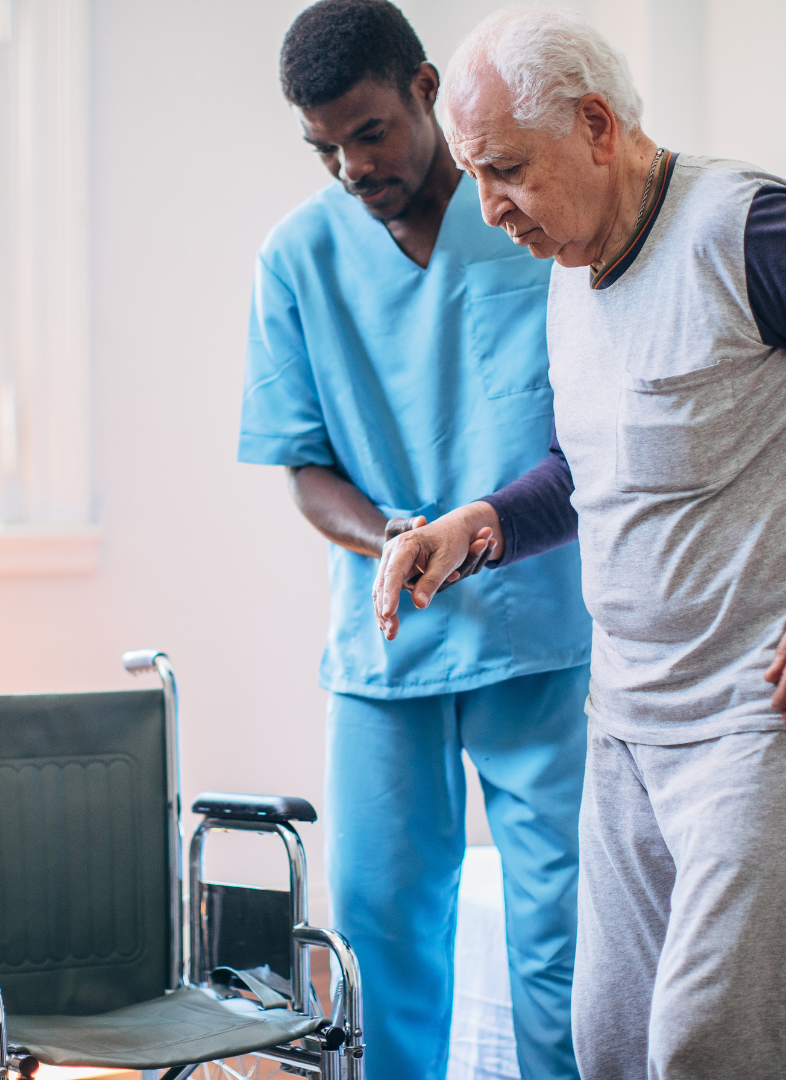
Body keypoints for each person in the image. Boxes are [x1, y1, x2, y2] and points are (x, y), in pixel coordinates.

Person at [371, 8, 786, 1079]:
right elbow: (601, 468)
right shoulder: (569, 268)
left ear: (597, 126)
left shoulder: (748, 233)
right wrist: (484, 527)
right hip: (630, 721)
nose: (488, 205)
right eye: (474, 172)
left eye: (505, 167)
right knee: (604, 1046)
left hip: (769, 714)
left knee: (710, 1051)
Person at [237, 2, 593, 1077]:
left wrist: (469, 536)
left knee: (560, 936)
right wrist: (395, 535)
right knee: (384, 936)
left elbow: (597, 438)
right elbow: (304, 464)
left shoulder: (533, 223)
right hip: (387, 641)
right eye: (325, 147)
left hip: (538, 630)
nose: (350, 166)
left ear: (427, 90)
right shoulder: (298, 258)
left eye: (370, 132)